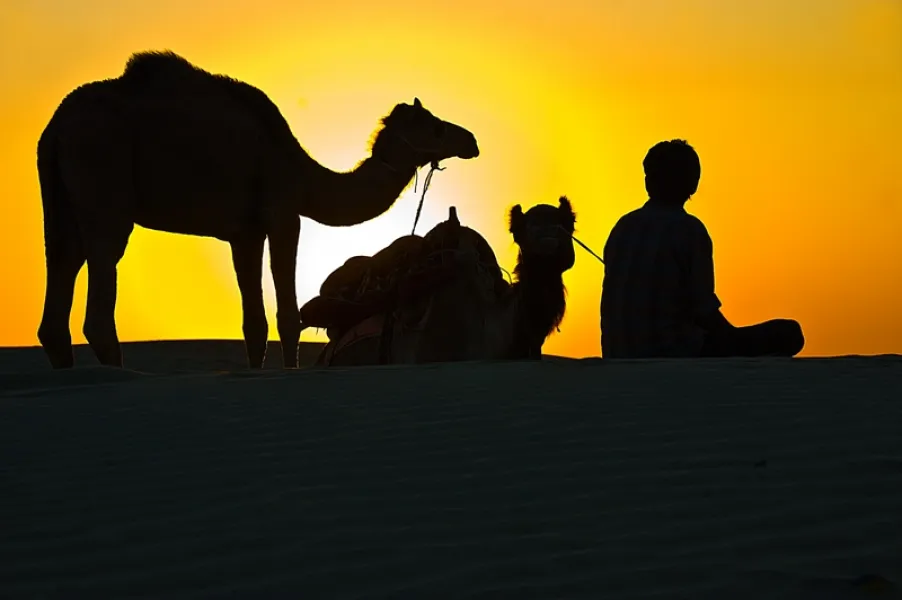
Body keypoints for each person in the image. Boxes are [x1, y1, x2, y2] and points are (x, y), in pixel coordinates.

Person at [600, 139, 804, 359]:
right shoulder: (688, 230)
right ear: (692, 183)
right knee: (788, 333)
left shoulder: (622, 227)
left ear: (648, 181)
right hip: (675, 352)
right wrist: (733, 339)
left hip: (617, 353)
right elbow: (704, 312)